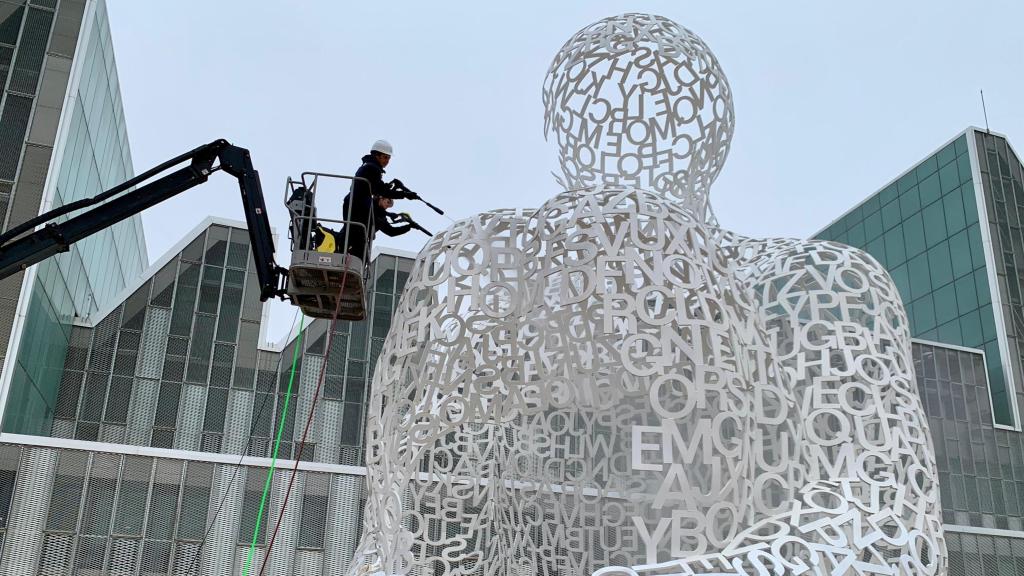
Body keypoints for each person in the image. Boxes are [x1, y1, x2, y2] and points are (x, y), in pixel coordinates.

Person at [340, 140, 416, 258]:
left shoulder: (369, 168)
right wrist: (404, 194)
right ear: (377, 155)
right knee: (356, 244)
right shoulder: (372, 168)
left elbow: (390, 231)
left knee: (359, 246)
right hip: (357, 208)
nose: (387, 161)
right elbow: (381, 190)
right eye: (385, 157)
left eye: (389, 158)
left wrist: (409, 226)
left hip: (356, 207)